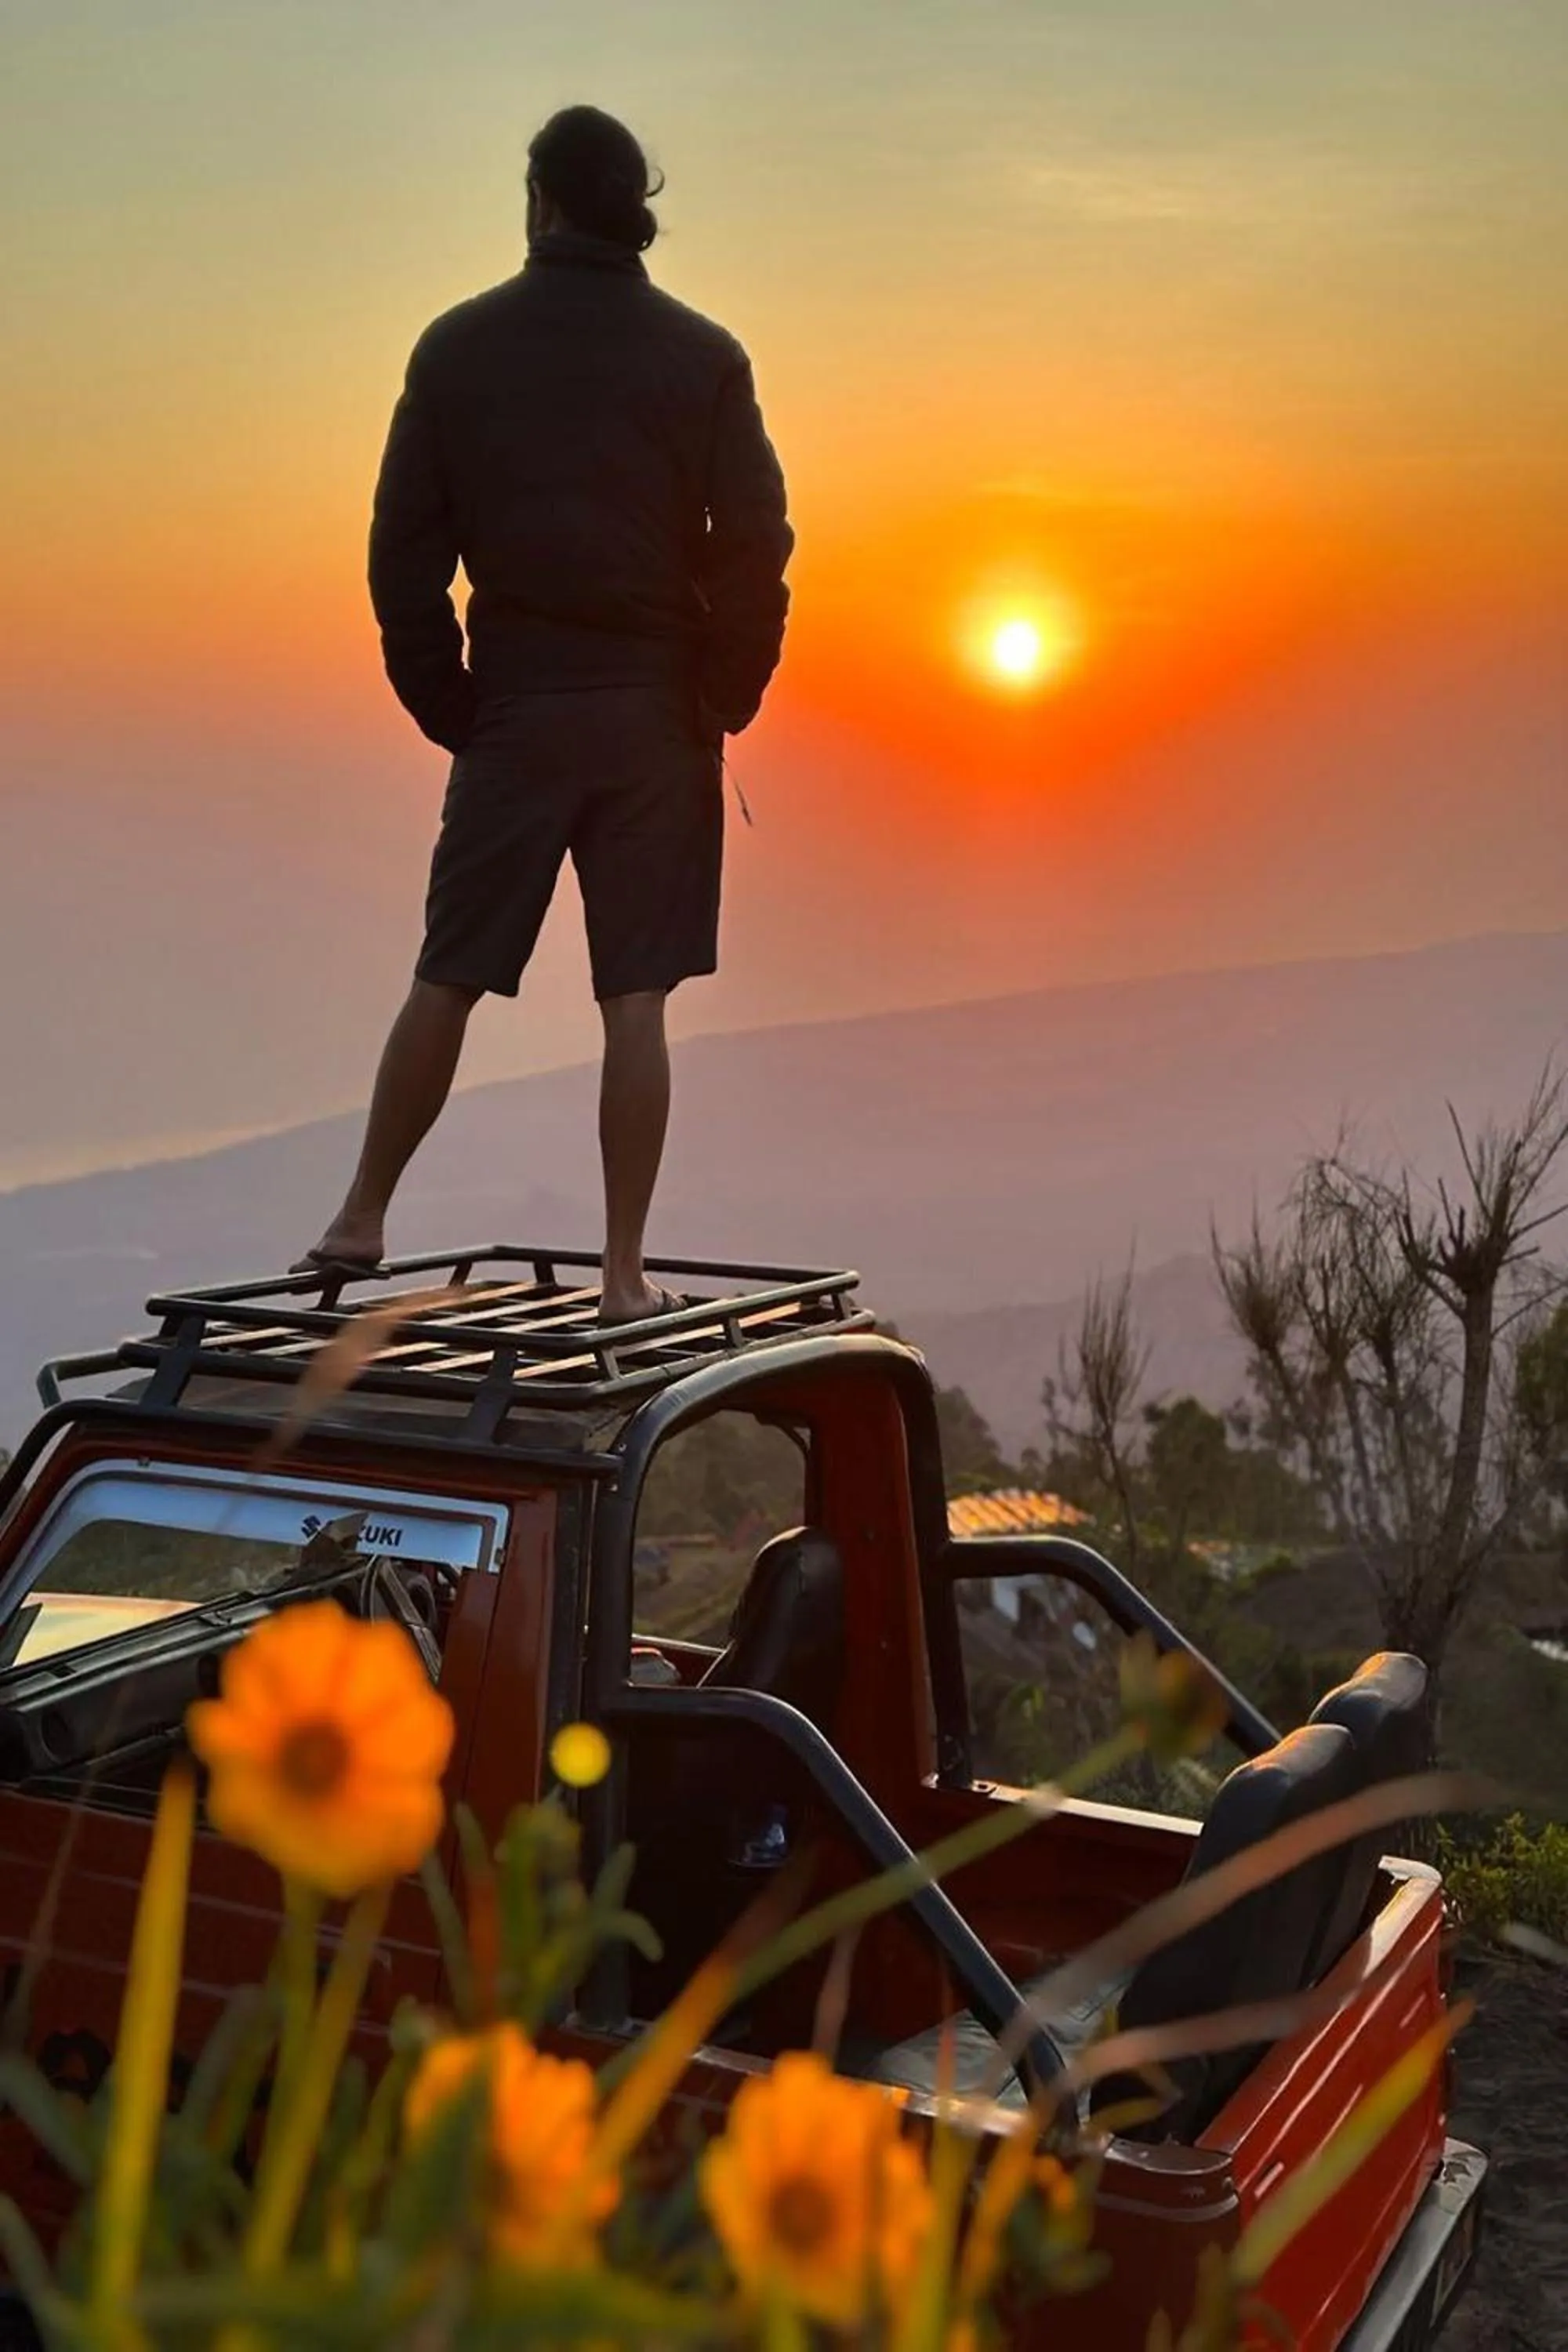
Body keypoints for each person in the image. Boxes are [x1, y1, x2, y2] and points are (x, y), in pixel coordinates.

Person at [296, 104, 792, 1319]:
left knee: (448, 972)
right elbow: (757, 544)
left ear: (541, 201)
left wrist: (450, 702)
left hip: (516, 707)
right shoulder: (704, 357)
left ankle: (359, 1216)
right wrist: (723, 693)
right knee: (636, 1003)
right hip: (657, 719)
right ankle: (622, 1277)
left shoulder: (456, 349)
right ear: (633, 209)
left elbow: (402, 553)